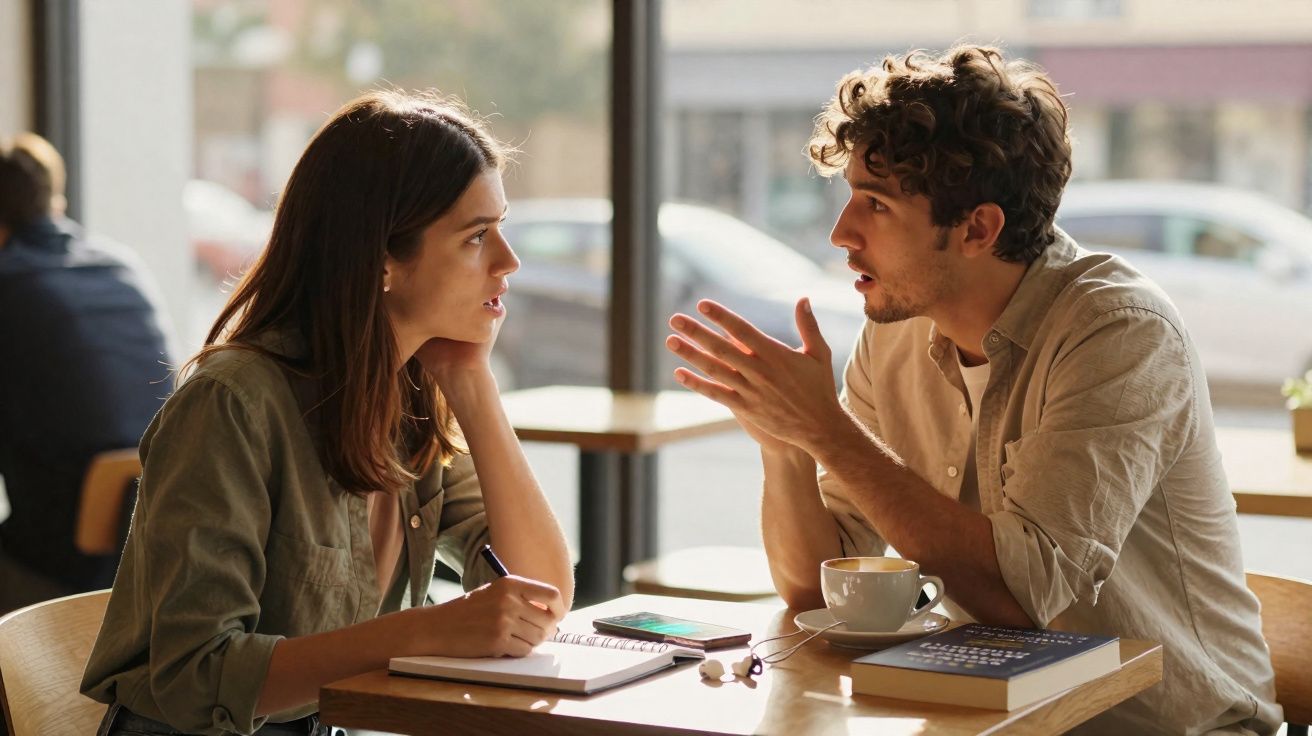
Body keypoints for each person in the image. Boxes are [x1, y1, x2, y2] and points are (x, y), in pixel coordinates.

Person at [666, 46, 1281, 734]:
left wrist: (827, 433)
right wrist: (785, 447)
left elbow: (1021, 597)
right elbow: (821, 588)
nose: (841, 233)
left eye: (875, 204)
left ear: (977, 229)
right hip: (989, 718)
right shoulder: (896, 328)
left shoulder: (1117, 333)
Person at [81, 90, 575, 736]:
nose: (509, 262)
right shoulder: (231, 405)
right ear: (382, 262)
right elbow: (194, 672)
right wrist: (426, 631)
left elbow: (543, 593)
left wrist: (473, 384)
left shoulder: (410, 401)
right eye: (477, 237)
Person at [0, 132, 175, 613]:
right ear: (53, 201)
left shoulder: (8, 286)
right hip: (158, 541)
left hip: (60, 559)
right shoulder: (121, 266)